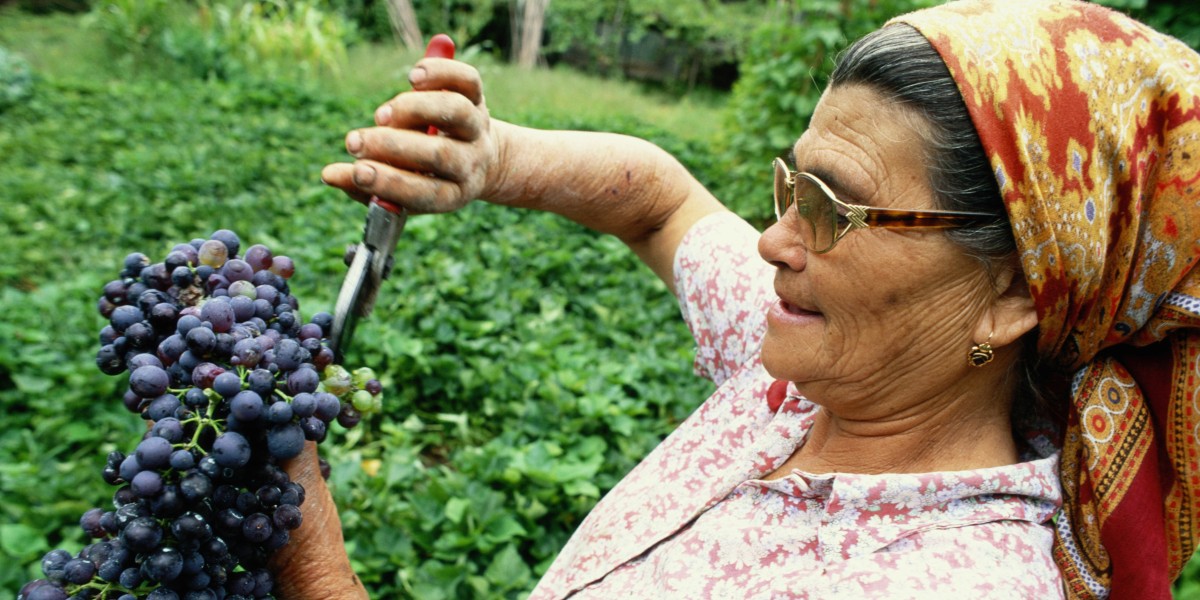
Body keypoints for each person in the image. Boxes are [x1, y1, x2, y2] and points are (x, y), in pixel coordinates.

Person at [269, 0, 1200, 597]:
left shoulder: (939, 577)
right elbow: (660, 199)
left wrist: (305, 548)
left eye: (831, 208)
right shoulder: (812, 376)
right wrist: (494, 156)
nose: (772, 241)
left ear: (1011, 294)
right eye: (789, 184)